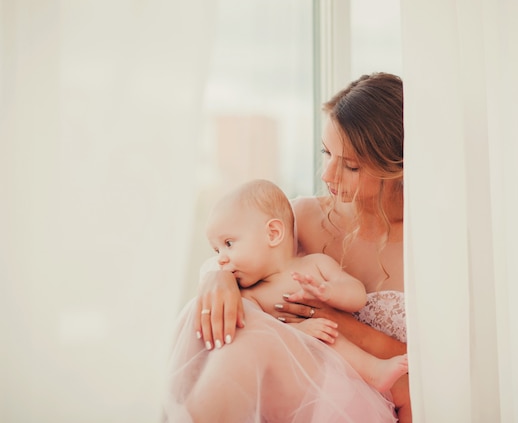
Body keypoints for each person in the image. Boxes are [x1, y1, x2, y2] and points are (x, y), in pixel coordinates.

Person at [166, 72, 409, 422]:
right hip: (299, 383)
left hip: (370, 400)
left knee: (253, 339)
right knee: (241, 332)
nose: (327, 175)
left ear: (396, 168)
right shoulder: (304, 217)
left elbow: (435, 368)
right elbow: (244, 255)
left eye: (351, 165)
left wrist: (332, 320)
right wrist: (219, 279)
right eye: (326, 153)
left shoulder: (427, 248)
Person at [204, 178, 408, 393]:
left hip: (342, 377)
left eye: (228, 244)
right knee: (323, 334)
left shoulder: (315, 264)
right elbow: (261, 336)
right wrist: (298, 330)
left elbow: (358, 297)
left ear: (273, 234)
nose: (221, 259)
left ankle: (374, 371)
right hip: (299, 380)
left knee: (329, 333)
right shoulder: (251, 295)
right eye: (217, 250)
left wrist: (330, 292)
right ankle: (373, 372)